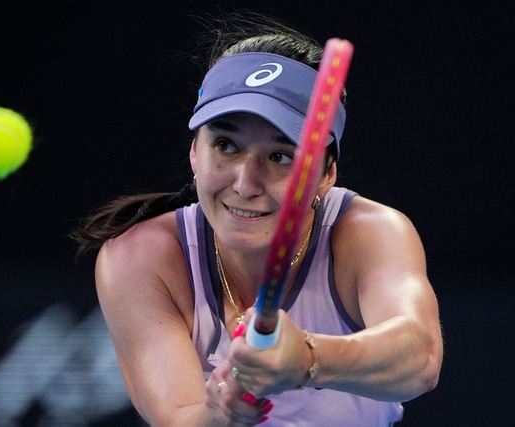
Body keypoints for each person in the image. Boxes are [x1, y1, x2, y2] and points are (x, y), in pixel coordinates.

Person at [71, 11, 443, 427]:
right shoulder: (139, 256)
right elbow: (177, 417)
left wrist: (305, 357)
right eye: (226, 146)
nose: (246, 184)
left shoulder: (369, 233)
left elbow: (420, 357)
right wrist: (219, 410)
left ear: (327, 176)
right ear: (195, 152)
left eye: (281, 156)